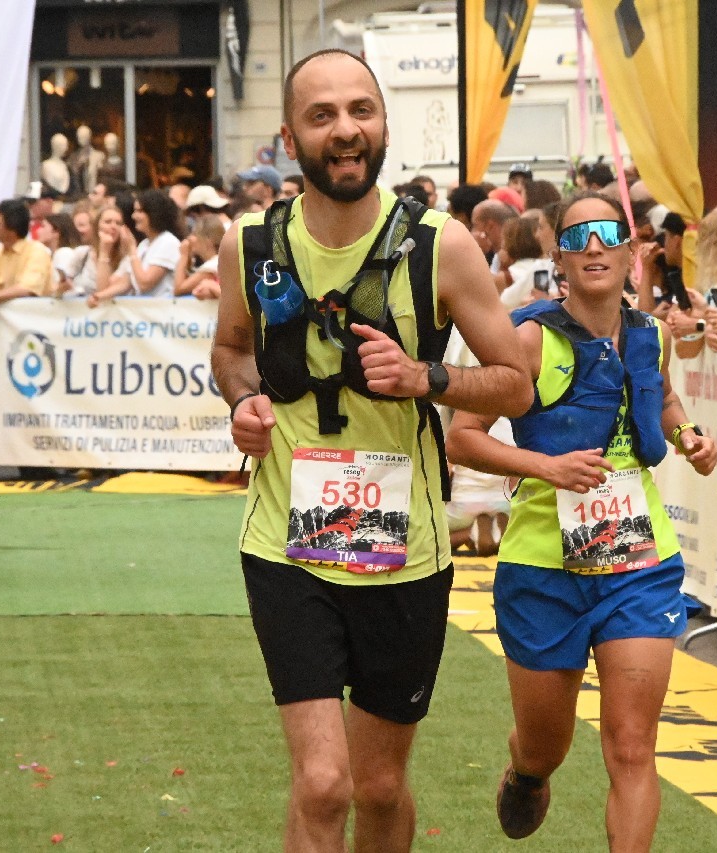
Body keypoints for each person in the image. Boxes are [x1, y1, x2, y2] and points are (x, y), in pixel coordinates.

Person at [210, 48, 532, 852]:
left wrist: (427, 376)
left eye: (361, 110)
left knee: (380, 785)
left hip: (405, 553)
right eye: (322, 115)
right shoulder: (249, 243)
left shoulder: (440, 245)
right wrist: (244, 401)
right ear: (291, 139)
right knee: (324, 782)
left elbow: (516, 385)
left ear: (384, 125)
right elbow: (232, 350)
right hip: (286, 545)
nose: (346, 129)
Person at [447, 191, 717, 847]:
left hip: (638, 563)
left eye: (607, 234)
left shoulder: (651, 334)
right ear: (560, 260)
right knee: (547, 744)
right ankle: (528, 771)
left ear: (630, 253)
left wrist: (690, 437)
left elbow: (664, 398)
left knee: (632, 745)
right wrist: (546, 466)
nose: (593, 246)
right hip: (544, 569)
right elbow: (462, 437)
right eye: (577, 237)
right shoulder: (528, 339)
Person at [91, 188, 184, 302]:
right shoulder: (144, 245)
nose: (133, 216)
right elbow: (126, 282)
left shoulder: (168, 242)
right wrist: (99, 296)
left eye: (139, 211)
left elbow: (145, 283)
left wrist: (132, 250)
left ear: (154, 213)